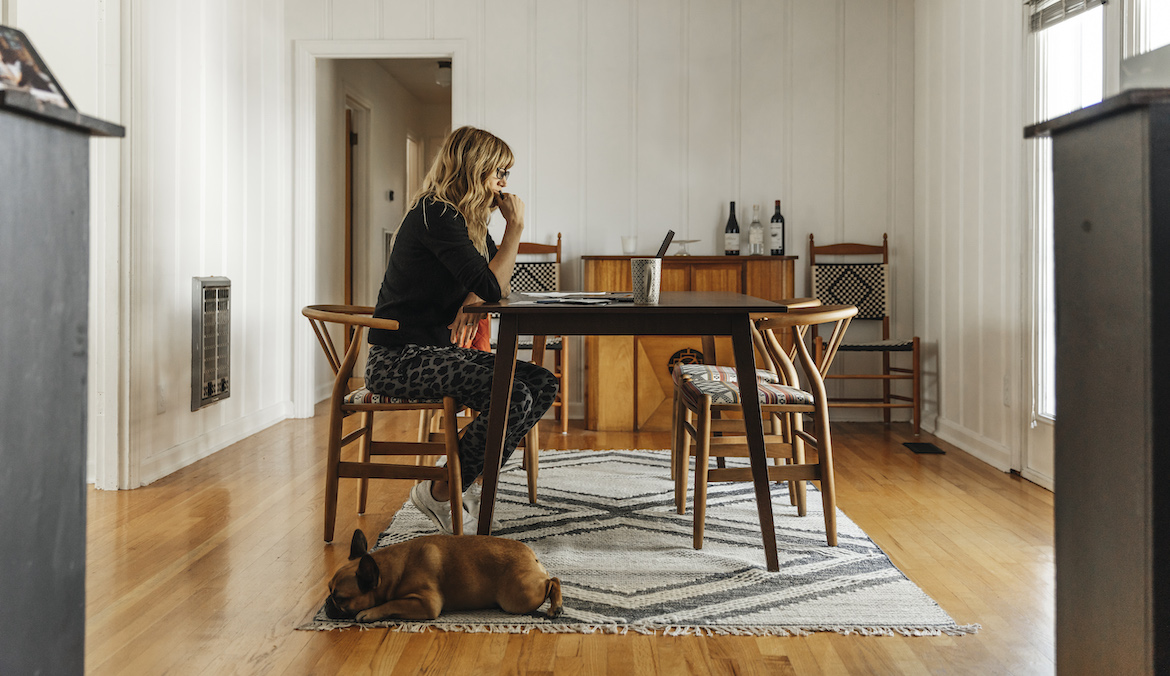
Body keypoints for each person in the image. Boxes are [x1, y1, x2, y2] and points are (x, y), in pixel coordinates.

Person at [365, 126, 558, 534]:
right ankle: (443, 490)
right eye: (498, 174)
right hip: (399, 360)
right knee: (512, 389)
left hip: (436, 353)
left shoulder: (465, 220)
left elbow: (492, 288)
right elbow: (492, 285)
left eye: (507, 174)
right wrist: (516, 231)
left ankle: (457, 482)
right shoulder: (436, 214)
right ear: (475, 170)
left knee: (541, 382)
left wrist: (473, 299)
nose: (504, 184)